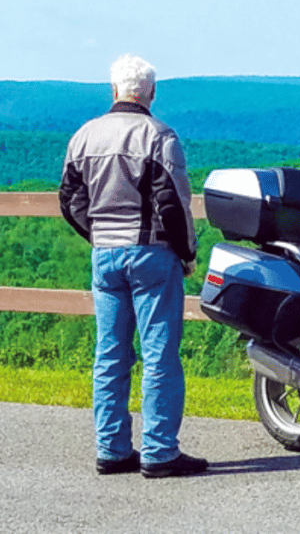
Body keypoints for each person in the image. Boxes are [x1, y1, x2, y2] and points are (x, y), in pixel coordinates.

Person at [58, 54, 208, 478]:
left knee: (110, 352)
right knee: (159, 354)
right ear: (152, 93)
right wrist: (187, 252)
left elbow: (69, 199)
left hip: (104, 253)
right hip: (151, 252)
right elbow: (173, 203)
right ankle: (159, 451)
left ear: (113, 90)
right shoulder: (159, 136)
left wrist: (97, 233)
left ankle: (112, 449)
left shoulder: (84, 136)